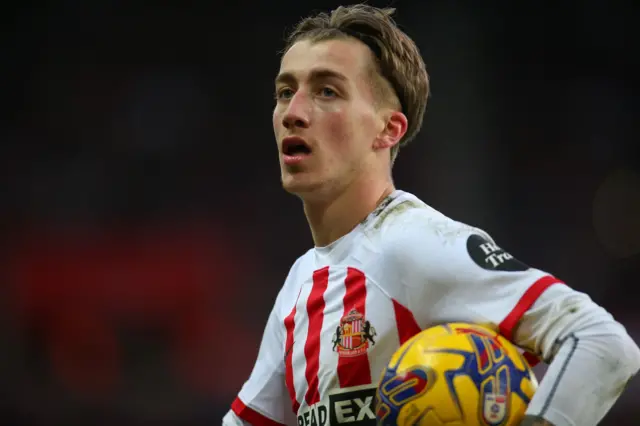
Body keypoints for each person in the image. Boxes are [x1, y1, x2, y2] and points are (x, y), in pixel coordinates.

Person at [222, 4, 640, 426]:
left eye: (327, 91)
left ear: (389, 129)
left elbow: (602, 343)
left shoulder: (412, 243)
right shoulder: (300, 283)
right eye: (284, 91)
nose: (293, 112)